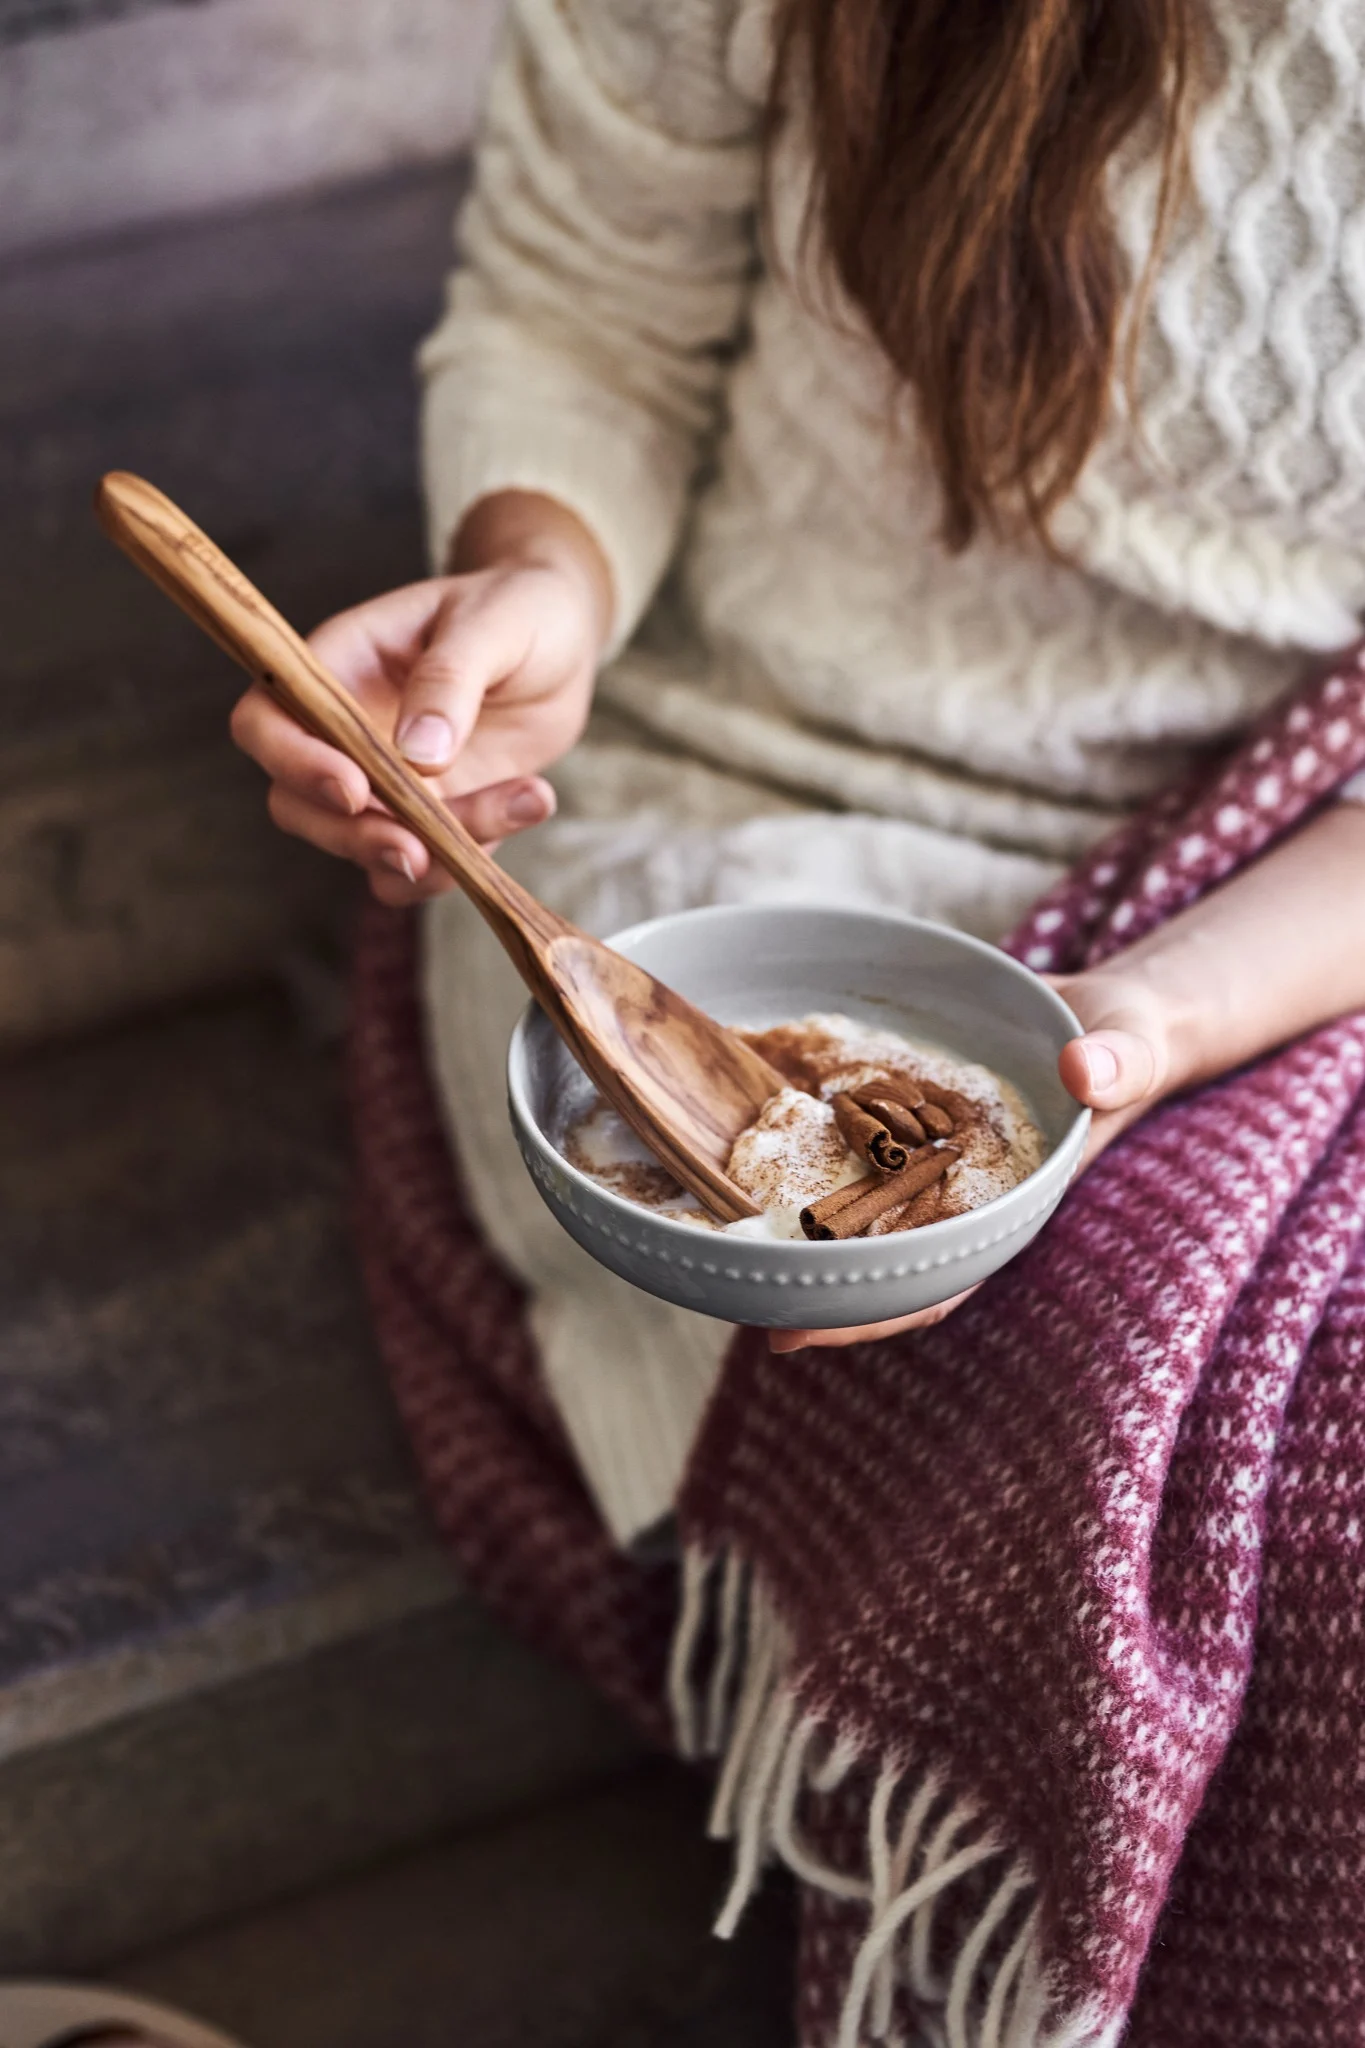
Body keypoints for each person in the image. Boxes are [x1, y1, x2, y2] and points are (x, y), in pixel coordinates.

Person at [232, 0, 1365, 1540]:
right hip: (735, 771)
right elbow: (591, 309)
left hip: (1289, 876)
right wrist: (543, 582)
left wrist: (1168, 1012)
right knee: (1043, 1392)